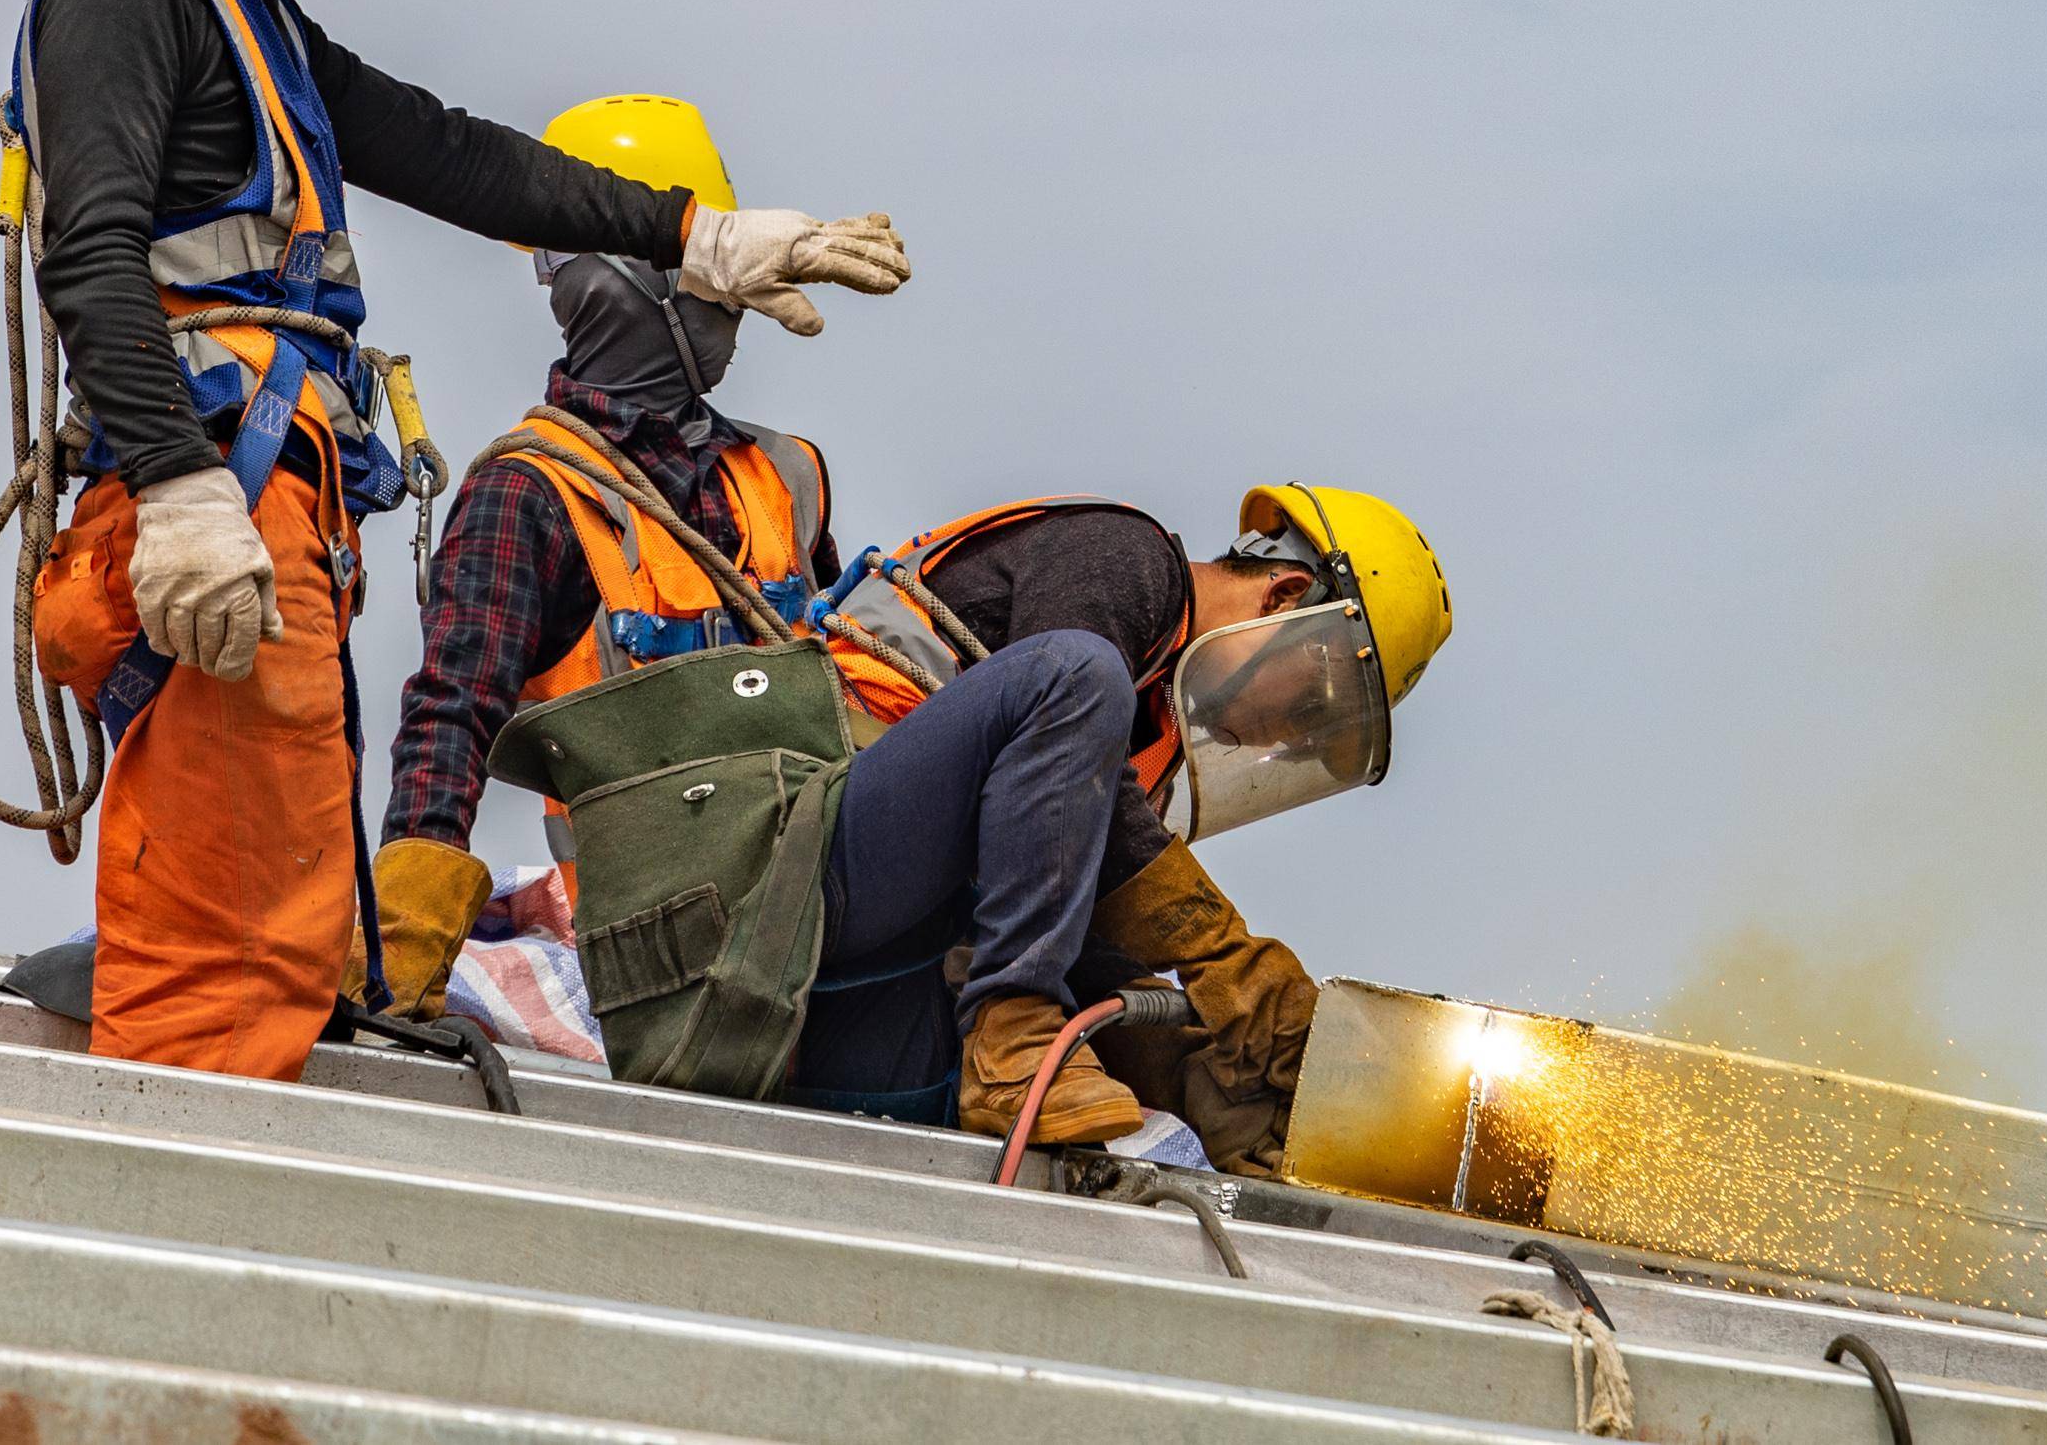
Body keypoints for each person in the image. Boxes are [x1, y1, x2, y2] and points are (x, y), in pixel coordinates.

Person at [10, 0, 908, 1081]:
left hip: (266, 527)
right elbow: (87, 250)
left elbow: (452, 148)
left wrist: (698, 232)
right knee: (220, 964)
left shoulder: (242, 2)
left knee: (287, 942)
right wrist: (175, 486)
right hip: (208, 519)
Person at [370, 103, 1447, 1173]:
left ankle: (1256, 1136)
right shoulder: (530, 491)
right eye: (705, 272)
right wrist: (409, 938)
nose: (731, 313)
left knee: (1154, 1039)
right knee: (1070, 680)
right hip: (673, 908)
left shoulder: (782, 476)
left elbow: (831, 702)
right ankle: (1012, 1040)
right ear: (616, 278)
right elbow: (451, 709)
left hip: (816, 903)